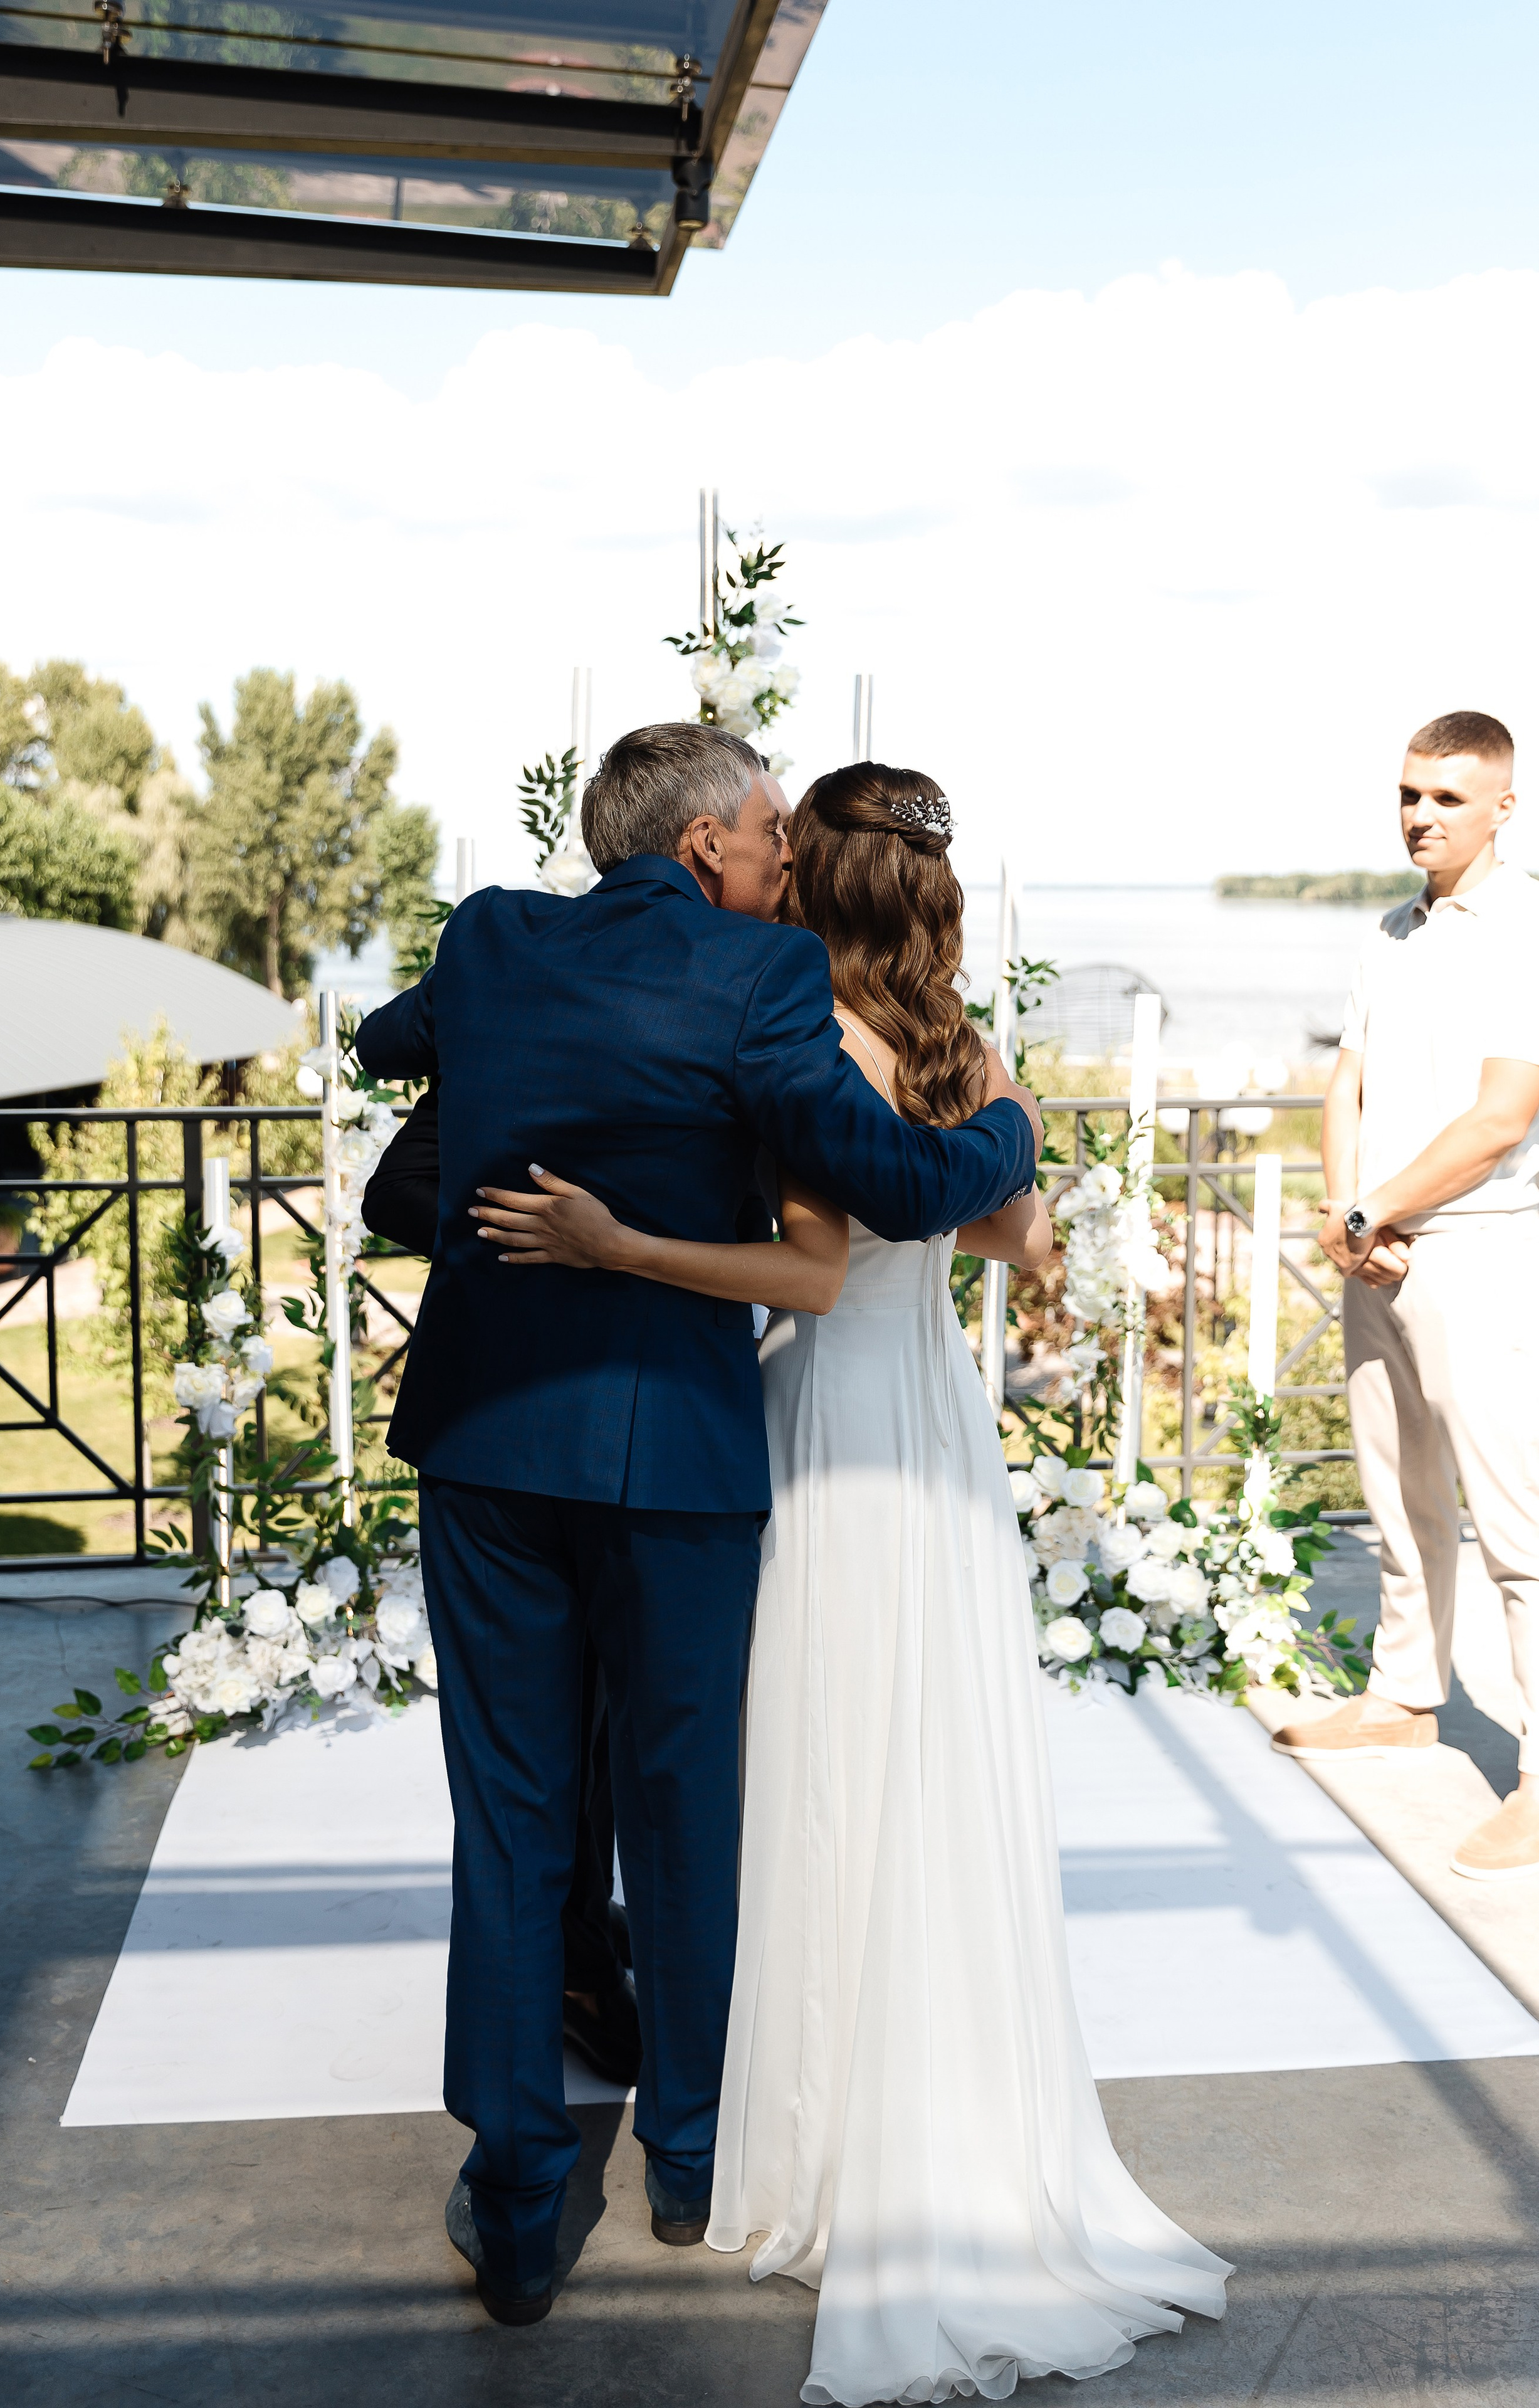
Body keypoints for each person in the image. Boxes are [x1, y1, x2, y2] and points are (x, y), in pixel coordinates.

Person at [475, 763, 1232, 2399]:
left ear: (807, 878)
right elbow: (1017, 1243)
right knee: (930, 1768)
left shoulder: (798, 1030)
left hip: (821, 1431)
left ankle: (805, 2128)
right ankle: (957, 2106)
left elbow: (808, 1277)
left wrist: (620, 1247)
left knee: (810, 1767)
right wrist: (988, 1146)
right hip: (940, 1429)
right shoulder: (968, 1049)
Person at [352, 724, 1041, 2328]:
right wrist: (1008, 1127)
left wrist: (520, 1055)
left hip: (489, 1440)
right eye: (767, 832)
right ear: (713, 842)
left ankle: (519, 2198)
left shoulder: (488, 937)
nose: (781, 858)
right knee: (684, 1807)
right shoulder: (755, 980)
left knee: (514, 1817)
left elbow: (395, 1047)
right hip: (670, 1459)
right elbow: (893, 1176)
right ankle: (685, 2149)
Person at [1273, 710, 1539, 1882]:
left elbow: (1501, 1119)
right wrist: (1346, 1213)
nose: (1420, 816)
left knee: (1517, 1522)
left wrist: (1375, 1213)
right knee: (1399, 1492)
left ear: (1503, 806)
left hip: (1479, 1252)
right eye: (1408, 794)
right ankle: (1403, 1695)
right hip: (1376, 1248)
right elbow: (1349, 1078)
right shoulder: (1391, 930)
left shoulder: (1526, 926)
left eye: (1445, 797)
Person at [361, 1087, 640, 2089]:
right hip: (515, 1420)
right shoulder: (498, 999)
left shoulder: (724, 1004)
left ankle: (580, 1924)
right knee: (538, 1744)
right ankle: (569, 1971)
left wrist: (619, 1240)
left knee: (610, 1725)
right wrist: (547, 1240)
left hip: (657, 1418)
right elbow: (396, 1190)